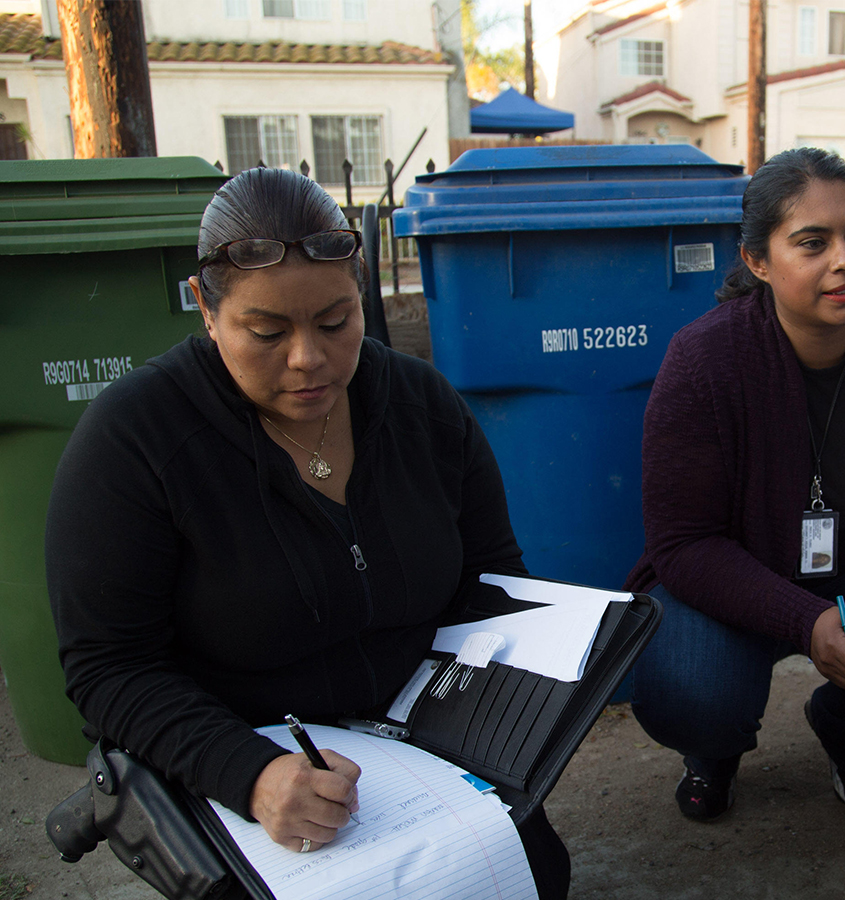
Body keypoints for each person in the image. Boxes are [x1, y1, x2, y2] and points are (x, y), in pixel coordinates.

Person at [45, 167, 569, 897]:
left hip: (425, 747)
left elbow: (491, 580)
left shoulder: (422, 406)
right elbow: (108, 666)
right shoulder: (135, 438)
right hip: (237, 755)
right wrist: (249, 773)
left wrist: (520, 700)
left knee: (533, 874)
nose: (308, 359)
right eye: (266, 331)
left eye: (335, 322)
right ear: (205, 309)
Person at [624, 147, 845, 821]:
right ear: (758, 261)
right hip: (737, 580)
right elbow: (684, 544)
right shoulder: (705, 360)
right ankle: (714, 751)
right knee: (692, 688)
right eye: (813, 243)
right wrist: (807, 621)